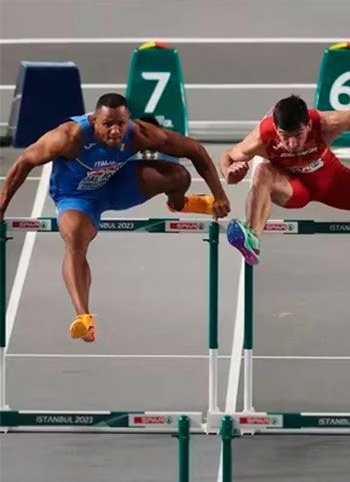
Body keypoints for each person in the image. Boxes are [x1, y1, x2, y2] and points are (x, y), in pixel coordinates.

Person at [0, 93, 231, 342]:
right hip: (77, 196)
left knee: (178, 176)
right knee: (75, 239)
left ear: (128, 120)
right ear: (94, 121)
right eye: (107, 124)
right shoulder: (69, 137)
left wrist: (219, 195)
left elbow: (194, 150)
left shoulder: (139, 134)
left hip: (117, 183)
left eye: (121, 124)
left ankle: (180, 204)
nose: (115, 131)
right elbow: (24, 162)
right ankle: (84, 318)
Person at [219, 95, 350, 265]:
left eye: (298, 135)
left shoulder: (326, 123)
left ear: (308, 125)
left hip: (330, 178)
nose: (292, 144)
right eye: (284, 136)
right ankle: (252, 239)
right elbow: (228, 156)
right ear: (276, 128)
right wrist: (230, 173)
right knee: (262, 172)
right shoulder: (261, 138)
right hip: (293, 186)